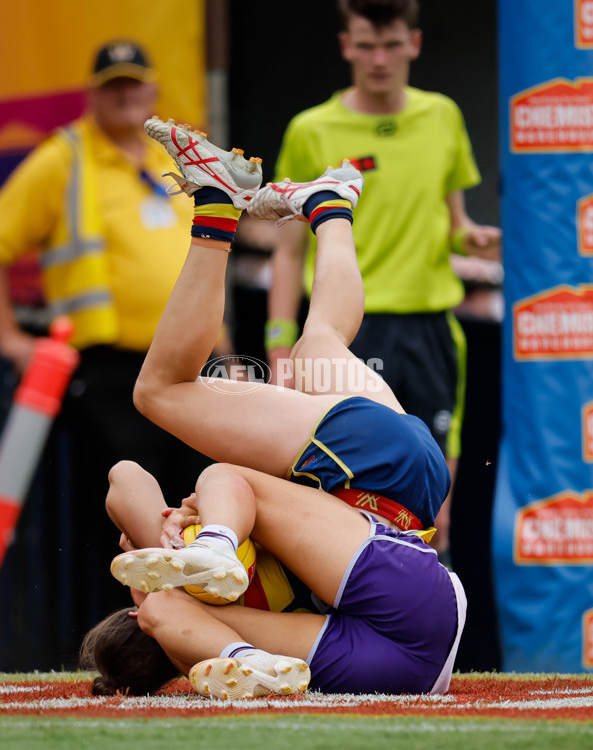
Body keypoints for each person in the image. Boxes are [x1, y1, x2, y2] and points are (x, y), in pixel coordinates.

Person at [101, 116, 466, 699]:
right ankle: (218, 204)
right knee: (160, 392)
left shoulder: (200, 598)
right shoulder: (171, 595)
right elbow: (128, 483)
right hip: (363, 476)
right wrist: (176, 535)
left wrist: (163, 539)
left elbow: (129, 485)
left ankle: (332, 208)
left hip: (410, 488)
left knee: (319, 340)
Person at [265, 0, 502, 560]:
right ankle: (340, 634)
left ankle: (429, 636)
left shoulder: (442, 115)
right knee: (344, 492)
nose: (379, 59)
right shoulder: (311, 129)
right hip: (344, 336)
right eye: (366, 45)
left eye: (391, 45)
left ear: (414, 44)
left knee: (433, 503)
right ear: (346, 45)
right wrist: (279, 341)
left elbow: (454, 221)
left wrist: (471, 237)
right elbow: (289, 246)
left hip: (430, 332)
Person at [0, 40, 213, 630]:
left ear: (153, 92)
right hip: (111, 371)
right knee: (123, 513)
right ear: (93, 94)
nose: (124, 95)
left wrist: (228, 350)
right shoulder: (64, 157)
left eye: (134, 84)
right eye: (112, 85)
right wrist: (10, 337)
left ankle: (198, 633)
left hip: (191, 368)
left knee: (199, 504)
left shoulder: (172, 157)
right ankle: (121, 642)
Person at [79, 459, 319, 696]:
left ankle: (216, 541)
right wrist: (197, 508)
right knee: (221, 489)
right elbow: (123, 474)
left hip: (304, 613)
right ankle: (216, 540)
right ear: (137, 613)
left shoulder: (202, 664)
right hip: (303, 550)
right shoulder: (163, 594)